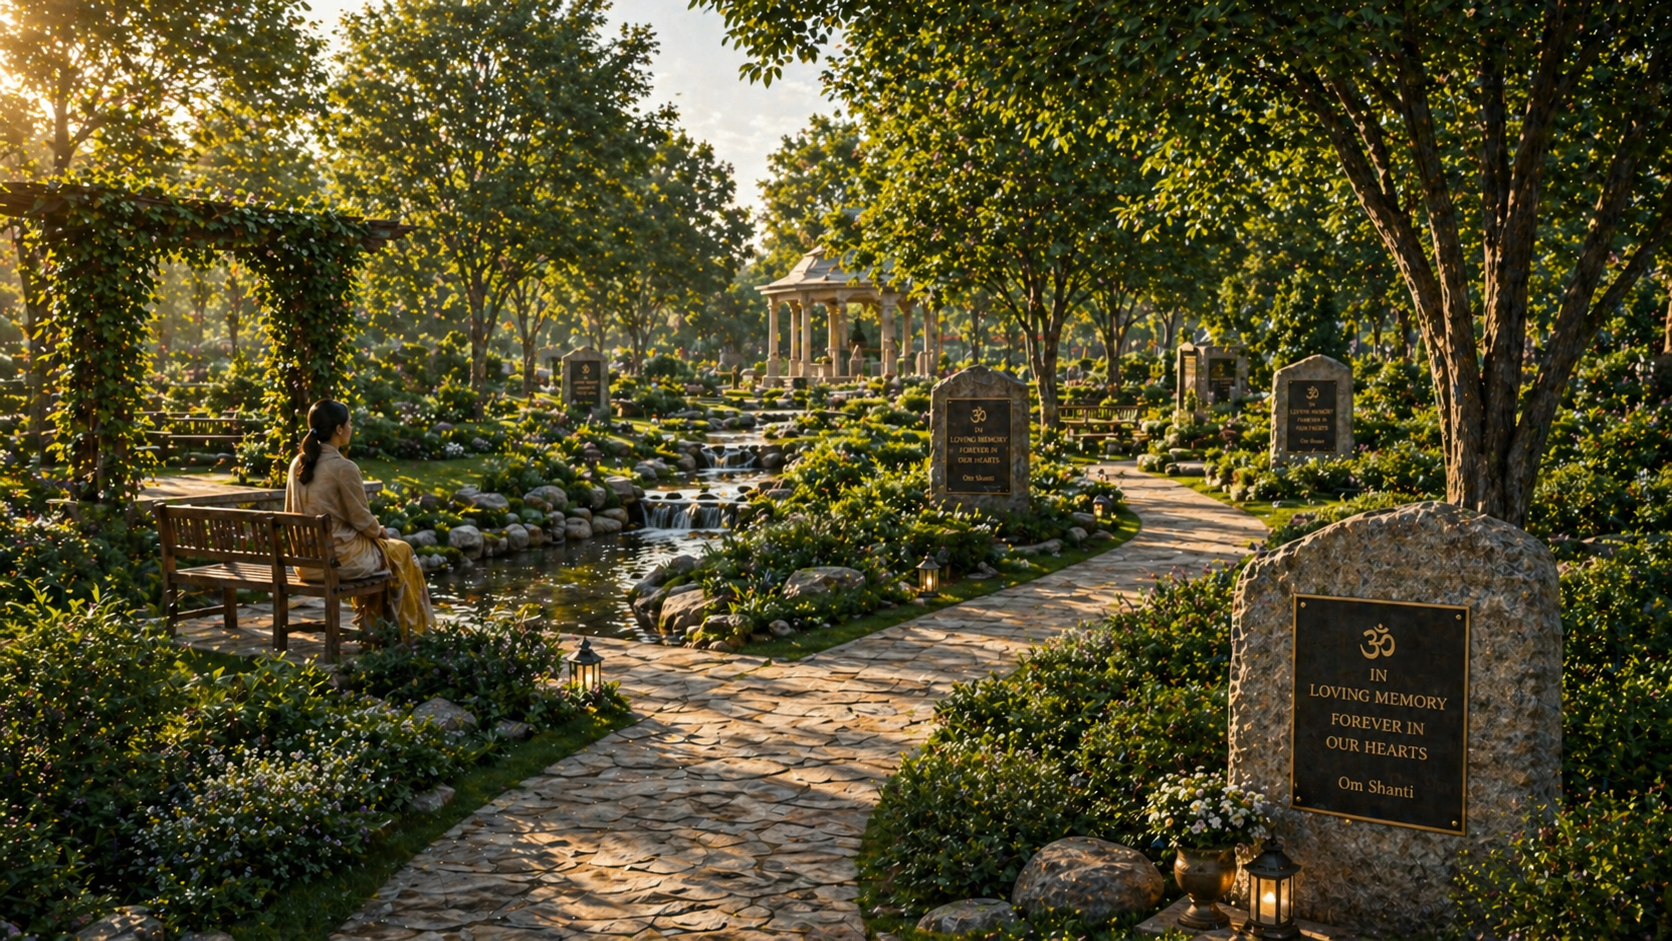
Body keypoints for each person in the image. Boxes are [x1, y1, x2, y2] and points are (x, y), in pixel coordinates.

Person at [285, 399, 434, 640]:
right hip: (338, 562)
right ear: (339, 429)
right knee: (402, 551)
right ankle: (411, 632)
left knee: (389, 554)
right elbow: (362, 520)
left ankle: (378, 628)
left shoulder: (297, 464)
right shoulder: (343, 467)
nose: (352, 428)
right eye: (350, 423)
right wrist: (380, 531)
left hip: (306, 564)